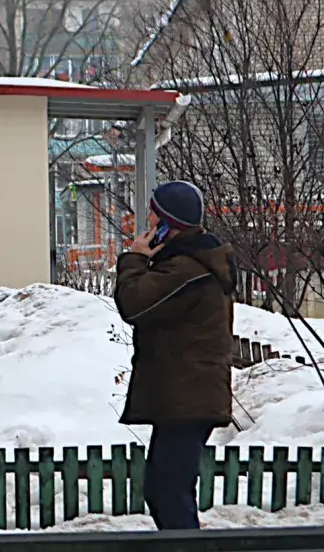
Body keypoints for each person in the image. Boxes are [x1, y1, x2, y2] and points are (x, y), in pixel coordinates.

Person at [113, 180, 236, 530]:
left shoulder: (187, 269)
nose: (148, 221)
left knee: (168, 490)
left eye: (154, 215)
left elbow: (134, 304)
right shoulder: (189, 263)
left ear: (170, 223)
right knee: (166, 488)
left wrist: (136, 258)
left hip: (189, 395)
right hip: (184, 395)